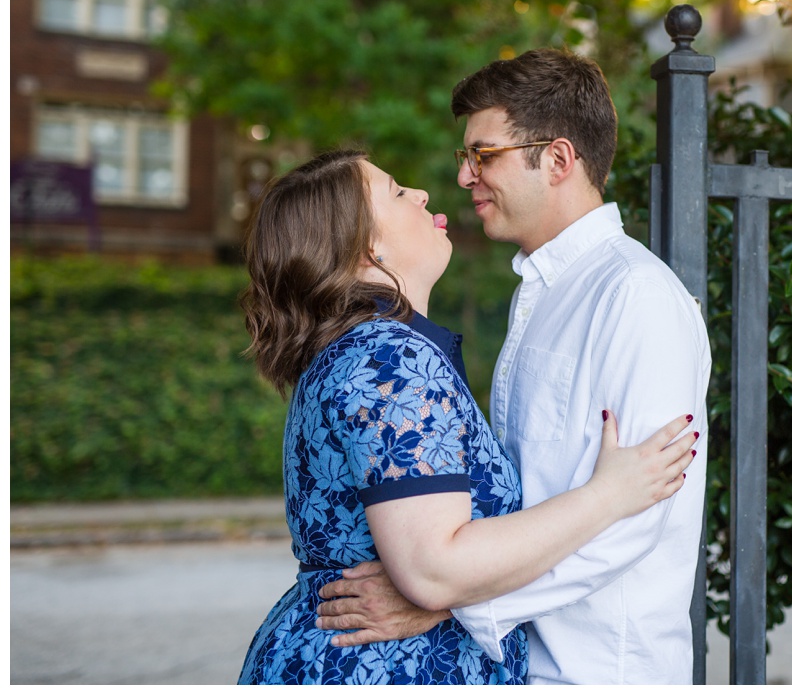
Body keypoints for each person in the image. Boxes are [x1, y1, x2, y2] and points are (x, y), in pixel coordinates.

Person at [316, 49, 712, 684]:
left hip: (593, 671)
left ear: (557, 159)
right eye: (466, 158)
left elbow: (639, 512)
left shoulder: (637, 296)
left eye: (485, 155)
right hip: (518, 664)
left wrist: (446, 601)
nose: (467, 176)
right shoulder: (540, 292)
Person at [236, 148, 698, 684]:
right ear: (367, 247)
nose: (425, 193)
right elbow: (435, 569)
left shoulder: (358, 351)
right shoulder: (389, 358)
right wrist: (610, 493)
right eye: (397, 192)